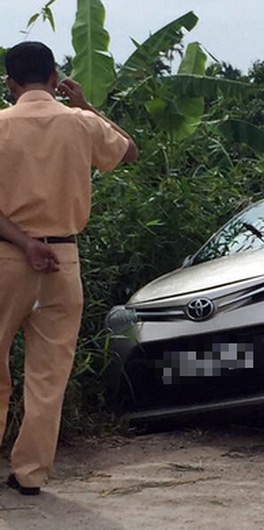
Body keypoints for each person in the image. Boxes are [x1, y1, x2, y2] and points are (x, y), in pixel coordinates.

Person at [0, 41, 138, 495]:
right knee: (48, 374)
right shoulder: (80, 124)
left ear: (10, 83)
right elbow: (129, 153)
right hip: (64, 259)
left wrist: (23, 242)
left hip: (6, 258)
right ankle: (30, 474)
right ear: (57, 78)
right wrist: (88, 106)